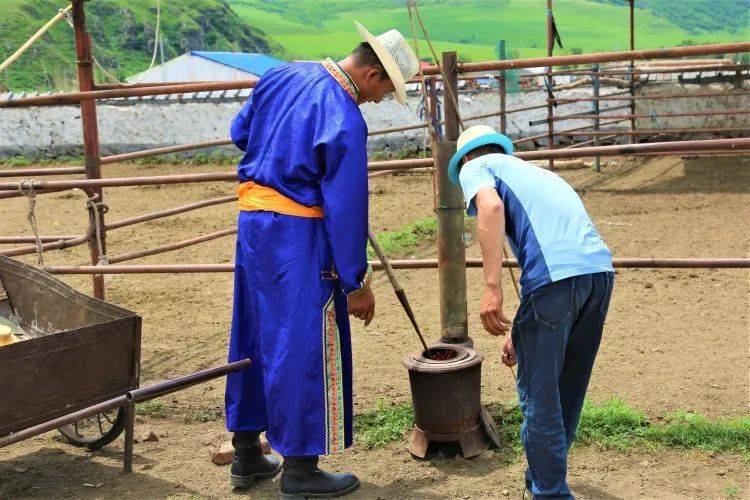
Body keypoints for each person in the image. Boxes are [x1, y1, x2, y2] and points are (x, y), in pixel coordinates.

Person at [224, 22, 419, 498]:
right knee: (304, 339)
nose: (377, 100)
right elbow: (346, 207)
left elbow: (239, 132)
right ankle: (300, 469)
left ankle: (247, 451)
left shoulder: (281, 75)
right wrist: (356, 282)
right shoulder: (345, 116)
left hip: (254, 225)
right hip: (298, 235)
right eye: (384, 91)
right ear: (372, 73)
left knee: (253, 328)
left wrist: (279, 153)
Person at [447, 125, 615, 499]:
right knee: (567, 388)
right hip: (598, 275)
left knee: (539, 395)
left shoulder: (478, 166)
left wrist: (493, 288)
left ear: (467, 158)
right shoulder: (540, 173)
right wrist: (518, 329)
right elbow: (553, 252)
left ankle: (550, 492)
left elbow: (490, 207)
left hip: (555, 281)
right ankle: (543, 481)